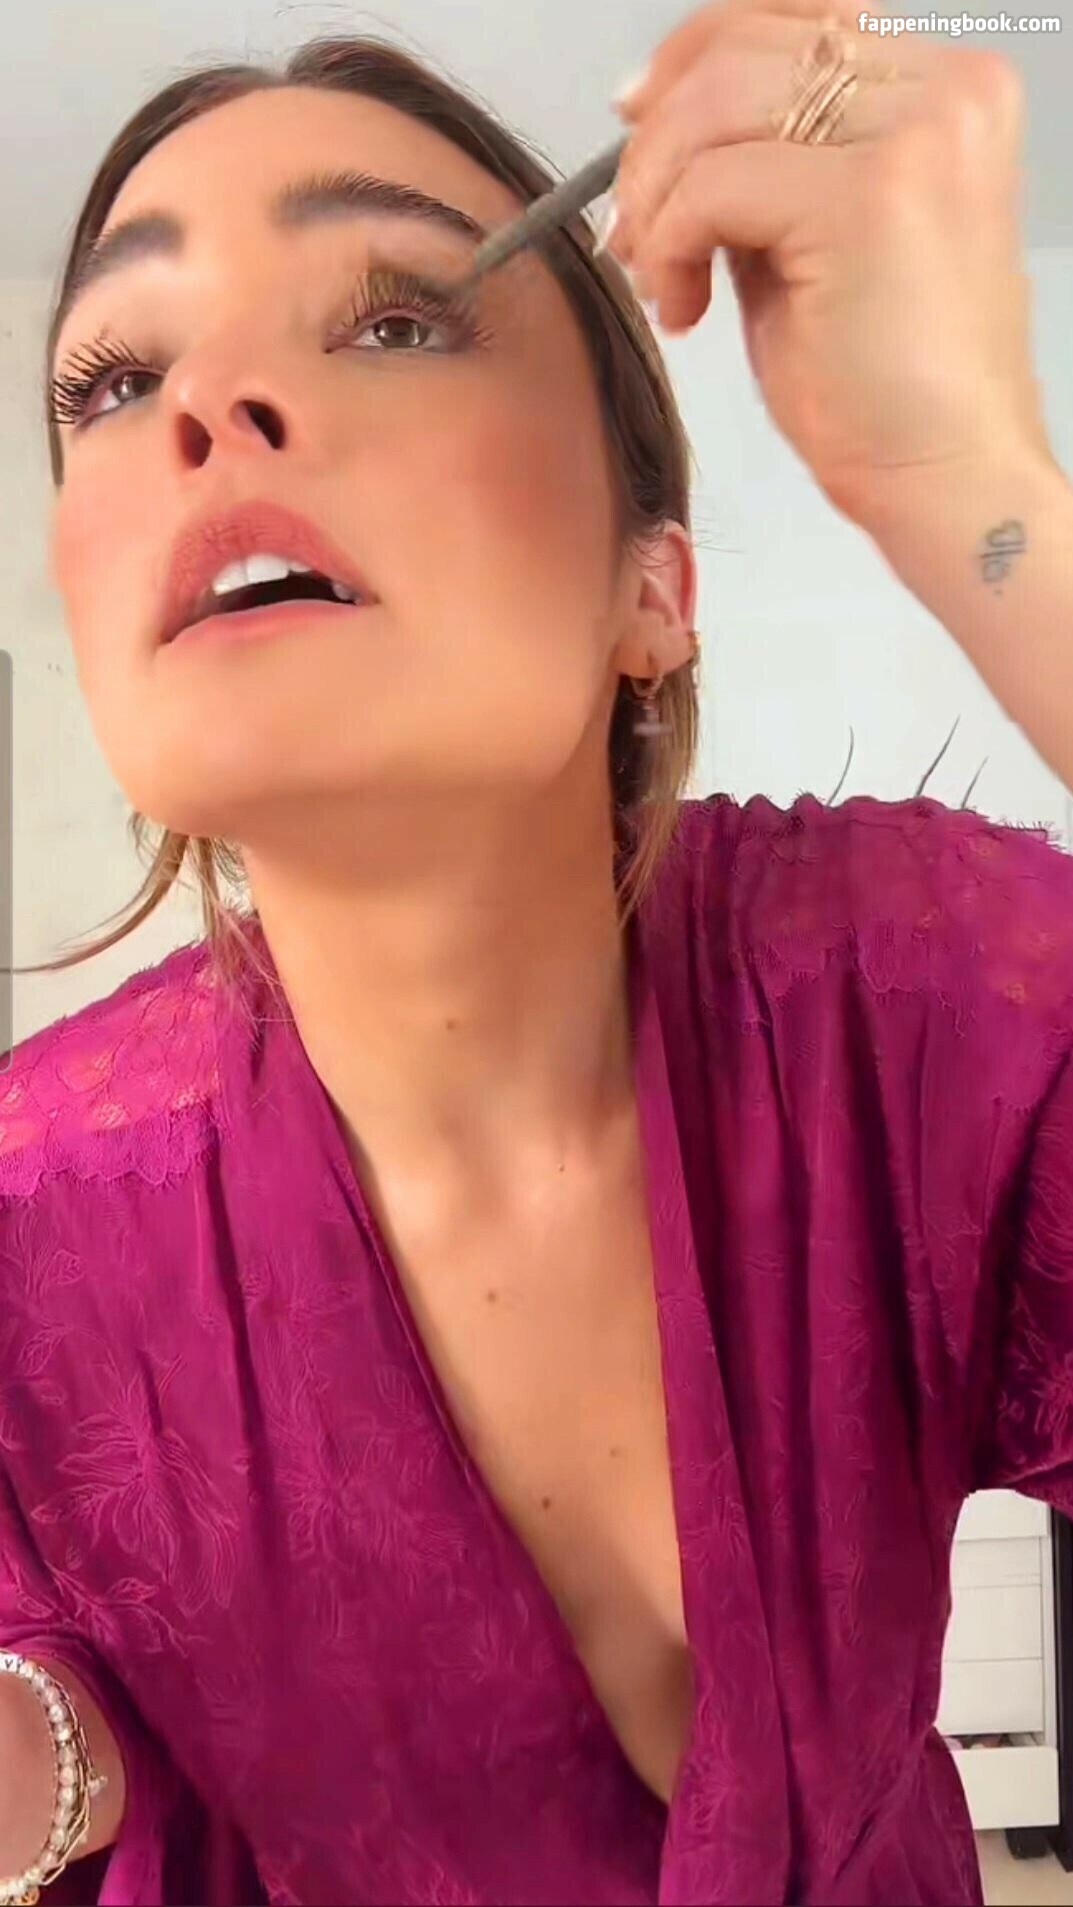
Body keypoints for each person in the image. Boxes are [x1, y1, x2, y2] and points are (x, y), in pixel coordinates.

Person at [1, 5, 1072, 1904]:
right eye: (113, 374)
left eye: (397, 321)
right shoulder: (33, 1209)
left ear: (648, 589)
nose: (208, 404)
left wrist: (962, 476)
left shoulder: (914, 994)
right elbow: (59, 1723)